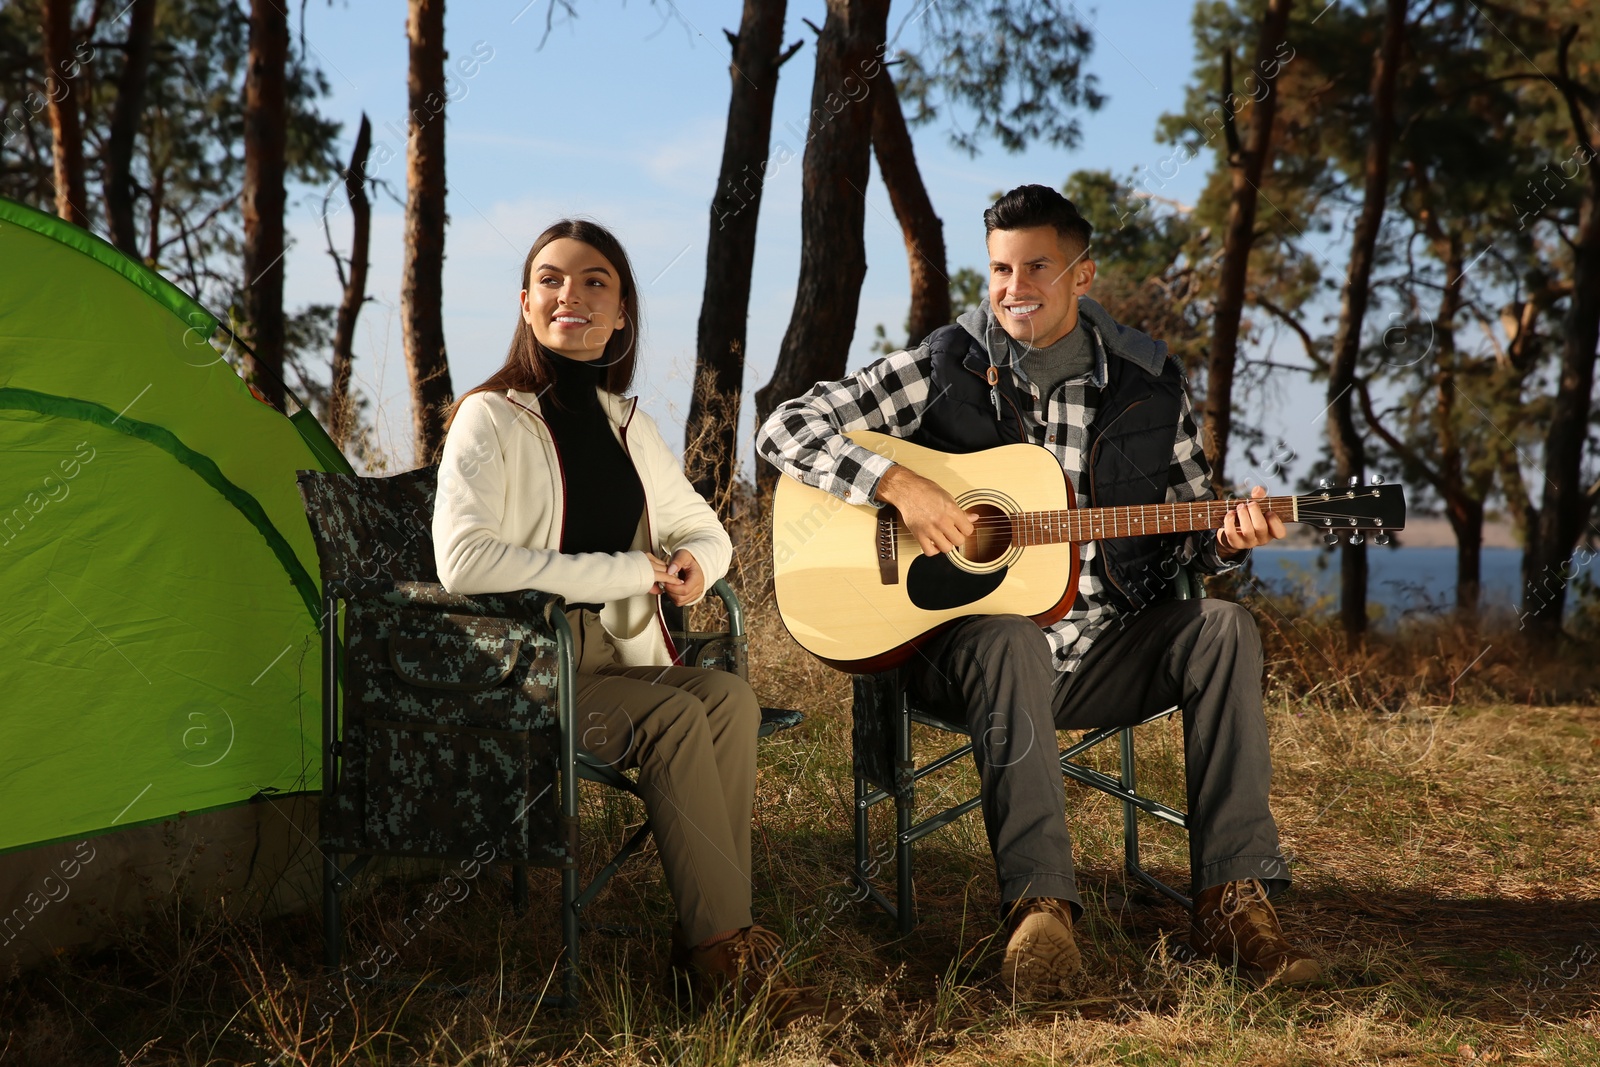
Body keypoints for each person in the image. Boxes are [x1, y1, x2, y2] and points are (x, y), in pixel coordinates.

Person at [756, 185, 1321, 997]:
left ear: (1082, 276)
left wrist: (1225, 537)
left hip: (1104, 648)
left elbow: (1190, 530)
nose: (1013, 287)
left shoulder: (1150, 386)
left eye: (1036, 267)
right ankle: (1041, 913)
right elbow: (787, 426)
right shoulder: (942, 364)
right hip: (970, 654)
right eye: (998, 269)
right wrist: (897, 482)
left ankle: (1231, 898)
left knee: (1224, 627)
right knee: (1011, 634)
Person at [433, 219, 832, 1025]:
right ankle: (723, 954)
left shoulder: (627, 424)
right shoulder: (490, 417)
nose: (568, 295)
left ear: (621, 315)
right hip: (525, 665)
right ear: (525, 302)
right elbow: (464, 562)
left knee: (728, 699)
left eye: (594, 282)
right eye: (550, 279)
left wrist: (695, 566)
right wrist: (622, 570)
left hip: (614, 653)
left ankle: (713, 942)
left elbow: (704, 527)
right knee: (680, 718)